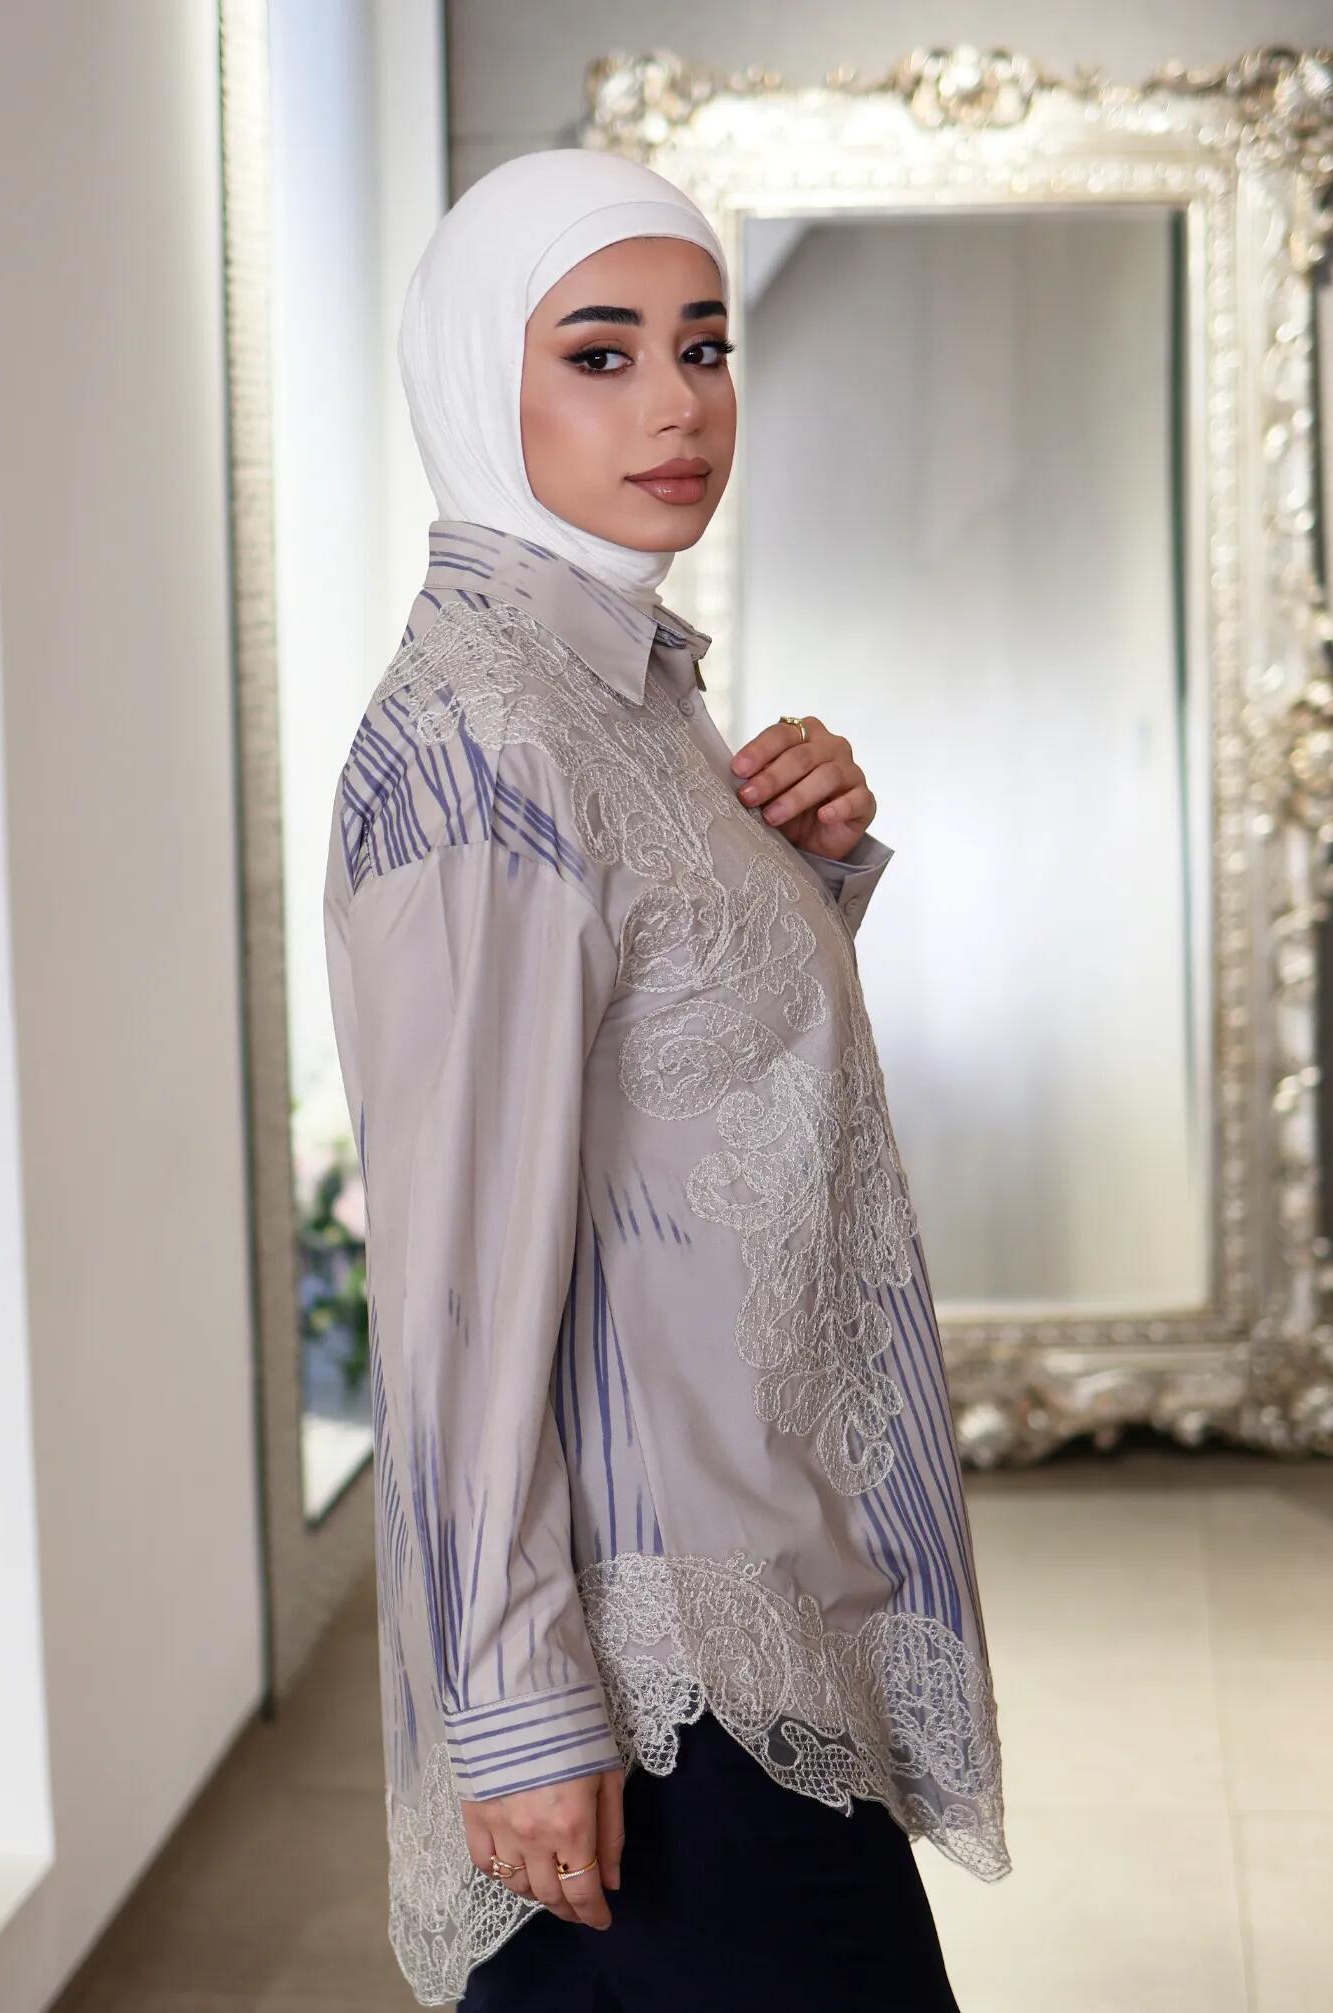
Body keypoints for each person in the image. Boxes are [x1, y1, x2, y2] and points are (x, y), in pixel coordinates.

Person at [321, 147, 1010, 2012]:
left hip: (754, 1599)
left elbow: (673, 1095)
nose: (679, 403)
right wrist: (518, 1705)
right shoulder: (485, 742)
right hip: (653, 1672)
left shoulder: (626, 689)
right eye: (601, 353)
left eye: (704, 347)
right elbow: (462, 1279)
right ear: (480, 377)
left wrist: (807, 872)